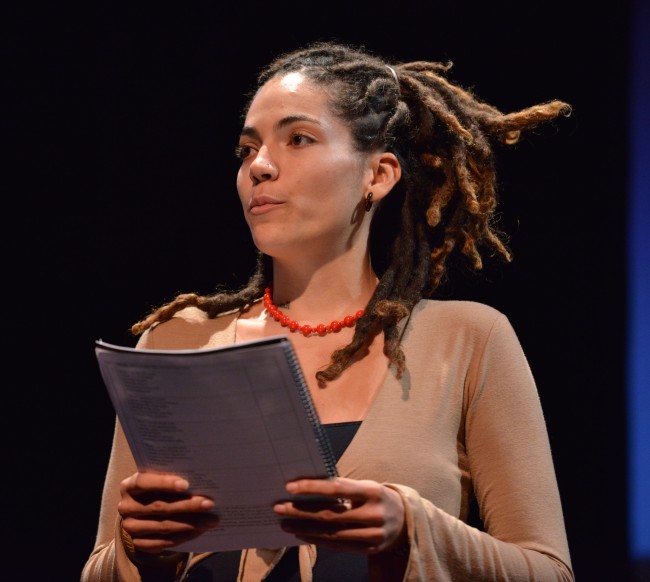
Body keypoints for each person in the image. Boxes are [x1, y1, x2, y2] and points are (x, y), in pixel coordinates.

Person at [82, 40, 574, 581]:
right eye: (247, 149)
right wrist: (142, 548)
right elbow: (100, 567)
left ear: (377, 175)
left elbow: (549, 570)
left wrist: (412, 528)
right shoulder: (178, 344)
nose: (259, 166)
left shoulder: (467, 340)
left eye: (298, 139)